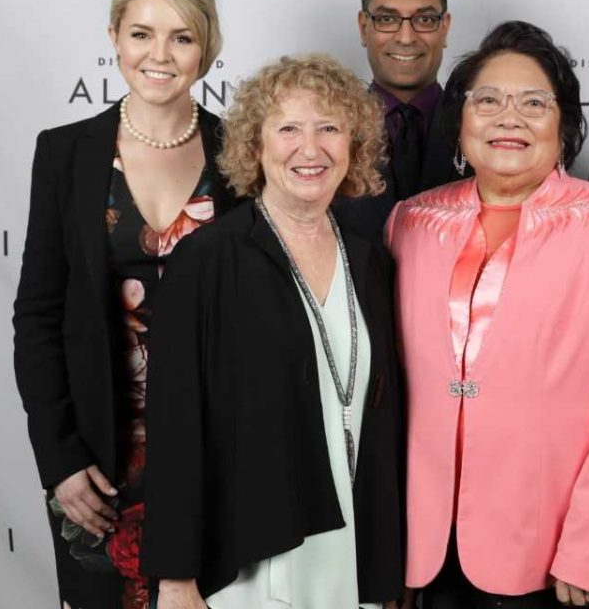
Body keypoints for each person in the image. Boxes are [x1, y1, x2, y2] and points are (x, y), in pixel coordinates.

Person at [388, 21, 589, 607]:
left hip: (552, 555)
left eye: (533, 103)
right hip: (427, 550)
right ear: (461, 120)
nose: (508, 117)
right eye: (488, 100)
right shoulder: (410, 223)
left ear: (564, 124)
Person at [140, 55, 404, 609]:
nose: (311, 149)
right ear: (254, 146)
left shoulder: (369, 261)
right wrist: (175, 576)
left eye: (329, 128)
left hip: (352, 549)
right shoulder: (207, 260)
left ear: (354, 144)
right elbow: (175, 425)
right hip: (253, 555)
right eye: (288, 128)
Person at [12, 0, 236, 609]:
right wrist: (58, 461)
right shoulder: (66, 153)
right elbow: (38, 315)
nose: (159, 54)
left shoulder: (242, 156)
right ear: (114, 36)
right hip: (96, 466)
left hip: (215, 460)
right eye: (141, 33)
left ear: (207, 47)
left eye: (182, 36)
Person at [334, 0, 461, 246]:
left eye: (425, 19)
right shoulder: (326, 137)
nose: (406, 37)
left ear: (445, 27)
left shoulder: (483, 130)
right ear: (364, 27)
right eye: (387, 19)